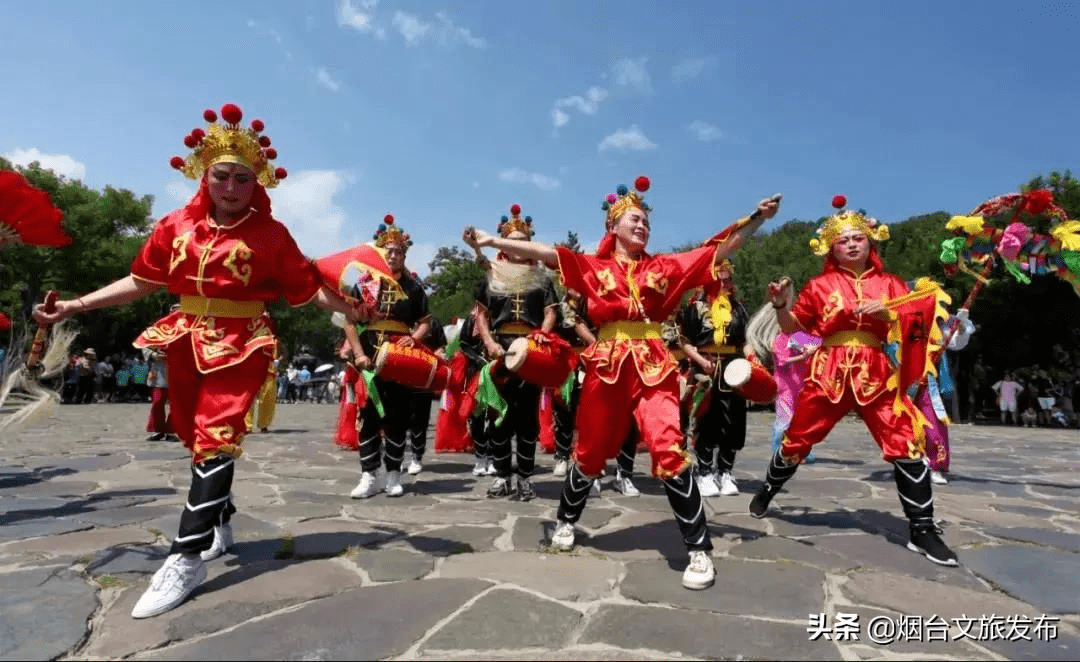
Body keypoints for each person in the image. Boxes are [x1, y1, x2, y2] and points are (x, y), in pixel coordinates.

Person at [34, 103, 367, 619]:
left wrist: (352, 307)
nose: (231, 187)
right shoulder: (176, 226)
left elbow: (307, 292)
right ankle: (220, 520)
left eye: (242, 178)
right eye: (221, 176)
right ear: (204, 176)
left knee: (216, 437)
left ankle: (185, 557)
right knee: (195, 438)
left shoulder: (272, 237)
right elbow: (141, 281)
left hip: (243, 342)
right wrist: (76, 305)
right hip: (184, 338)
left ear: (257, 182)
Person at [464, 176, 780, 590]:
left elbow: (717, 250)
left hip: (652, 363)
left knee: (668, 445)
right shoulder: (593, 267)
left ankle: (699, 549)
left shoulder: (663, 267)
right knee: (591, 450)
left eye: (646, 220)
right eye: (635, 218)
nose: (643, 225)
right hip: (608, 364)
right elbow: (546, 253)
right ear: (613, 226)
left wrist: (758, 218)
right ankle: (566, 520)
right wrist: (490, 243)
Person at [749, 196, 958, 567]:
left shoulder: (891, 283)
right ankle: (768, 488)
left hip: (876, 371)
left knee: (907, 441)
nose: (850, 243)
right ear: (832, 248)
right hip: (828, 369)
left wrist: (891, 308)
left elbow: (918, 317)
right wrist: (782, 306)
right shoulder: (819, 285)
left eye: (857, 238)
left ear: (870, 243)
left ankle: (922, 529)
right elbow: (795, 331)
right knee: (798, 439)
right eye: (843, 239)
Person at [460, 205, 558, 501]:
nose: (517, 244)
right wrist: (490, 344)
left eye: (522, 238)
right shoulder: (492, 275)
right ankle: (502, 476)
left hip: (530, 351)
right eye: (511, 238)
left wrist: (540, 338)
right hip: (499, 351)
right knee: (498, 417)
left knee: (528, 418)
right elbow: (481, 315)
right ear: (503, 241)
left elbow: (551, 313)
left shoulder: (542, 277)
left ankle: (525, 478)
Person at [345, 214, 432, 499]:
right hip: (369, 358)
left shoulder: (414, 288)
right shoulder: (365, 283)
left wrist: (415, 338)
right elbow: (350, 322)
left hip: (400, 359)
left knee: (398, 417)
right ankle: (368, 474)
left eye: (399, 252)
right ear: (381, 253)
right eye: (389, 251)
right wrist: (358, 354)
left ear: (405, 255)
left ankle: (394, 474)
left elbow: (425, 322)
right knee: (368, 415)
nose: (394, 256)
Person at [676, 261, 753, 498]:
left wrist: (752, 359)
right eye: (720, 279)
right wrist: (699, 360)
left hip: (734, 369)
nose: (725, 284)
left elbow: (746, 340)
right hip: (705, 368)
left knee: (734, 424)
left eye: (728, 279)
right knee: (705, 422)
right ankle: (705, 472)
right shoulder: (696, 307)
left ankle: (725, 472)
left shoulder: (738, 307)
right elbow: (684, 341)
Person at [405, 316, 447, 476]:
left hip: (424, 377)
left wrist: (435, 358)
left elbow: (441, 348)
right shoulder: (402, 320)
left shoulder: (433, 323)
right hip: (401, 374)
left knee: (420, 419)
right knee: (400, 418)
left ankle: (417, 457)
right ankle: (399, 456)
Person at [245, 339, 280, 433]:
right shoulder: (248, 335)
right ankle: (247, 425)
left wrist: (277, 361)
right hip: (251, 371)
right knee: (248, 399)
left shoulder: (274, 341)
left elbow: (279, 356)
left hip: (269, 372)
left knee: (268, 397)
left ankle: (264, 424)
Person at [145, 347, 174, 441]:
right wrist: (153, 355)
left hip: (177, 369)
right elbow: (144, 344)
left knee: (176, 405)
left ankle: (171, 430)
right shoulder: (154, 332)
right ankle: (158, 430)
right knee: (157, 401)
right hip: (158, 372)